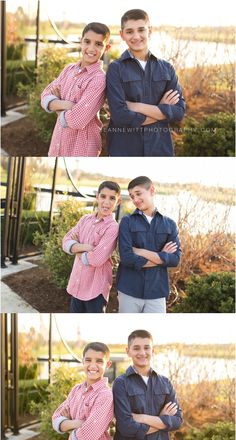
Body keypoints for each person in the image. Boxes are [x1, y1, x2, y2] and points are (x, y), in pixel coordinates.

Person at [106, 9, 185, 156]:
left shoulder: (167, 68)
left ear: (150, 31)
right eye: (129, 31)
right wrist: (161, 110)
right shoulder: (115, 69)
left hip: (160, 148)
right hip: (124, 149)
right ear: (122, 34)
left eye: (141, 30)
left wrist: (136, 106)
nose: (136, 36)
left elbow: (179, 112)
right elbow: (120, 116)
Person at [113, 329, 183, 440]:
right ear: (128, 351)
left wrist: (142, 418)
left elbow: (177, 421)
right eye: (136, 348)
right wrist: (161, 420)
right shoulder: (121, 383)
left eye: (146, 347)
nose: (142, 353)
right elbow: (126, 426)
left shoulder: (165, 382)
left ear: (153, 350)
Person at [41, 22, 111, 156]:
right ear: (81, 42)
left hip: (81, 149)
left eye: (98, 44)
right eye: (87, 41)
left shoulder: (98, 79)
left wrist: (56, 106)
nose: (91, 48)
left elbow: (76, 121)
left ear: (106, 48)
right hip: (58, 143)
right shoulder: (69, 69)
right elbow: (45, 95)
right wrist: (67, 105)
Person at [117, 176, 181, 313]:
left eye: (138, 194)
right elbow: (127, 258)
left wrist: (140, 251)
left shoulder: (169, 224)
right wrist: (162, 257)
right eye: (132, 196)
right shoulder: (126, 222)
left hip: (156, 293)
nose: (135, 200)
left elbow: (175, 260)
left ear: (151, 190)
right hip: (129, 290)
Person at [52, 342, 114, 440]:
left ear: (108, 364)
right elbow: (56, 418)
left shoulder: (105, 395)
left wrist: (67, 424)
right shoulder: (76, 390)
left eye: (99, 361)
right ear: (82, 362)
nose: (92, 365)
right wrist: (79, 423)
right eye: (88, 360)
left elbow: (88, 436)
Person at [62, 181, 121, 313]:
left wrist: (76, 250)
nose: (106, 202)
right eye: (103, 196)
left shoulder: (113, 227)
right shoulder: (84, 220)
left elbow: (96, 259)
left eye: (112, 198)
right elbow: (65, 241)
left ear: (118, 201)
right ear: (97, 197)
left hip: (96, 290)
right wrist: (86, 247)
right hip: (77, 285)